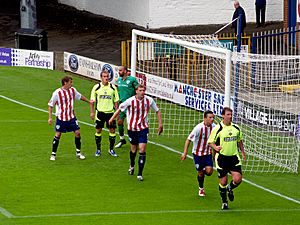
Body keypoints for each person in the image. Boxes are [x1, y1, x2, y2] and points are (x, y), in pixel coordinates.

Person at [109, 84, 163, 181]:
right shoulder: (130, 101)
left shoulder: (149, 100)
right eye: (141, 90)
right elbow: (120, 108)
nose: (143, 92)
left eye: (144, 90)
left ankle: (140, 174)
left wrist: (160, 124)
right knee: (133, 149)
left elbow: (158, 111)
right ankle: (132, 165)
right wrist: (111, 119)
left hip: (143, 128)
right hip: (132, 129)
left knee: (142, 149)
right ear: (136, 91)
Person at [208, 107, 246, 210]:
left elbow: (240, 140)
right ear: (223, 116)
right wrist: (215, 147)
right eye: (228, 115)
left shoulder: (236, 128)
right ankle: (224, 202)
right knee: (223, 182)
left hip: (234, 157)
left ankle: (230, 187)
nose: (230, 117)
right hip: (222, 158)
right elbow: (210, 142)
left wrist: (242, 152)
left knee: (238, 179)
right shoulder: (218, 128)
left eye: (231, 115)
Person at [48, 76, 91, 161]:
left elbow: (79, 96)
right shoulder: (57, 93)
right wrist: (50, 118)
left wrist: (89, 101)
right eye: (70, 82)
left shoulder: (72, 90)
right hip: (61, 118)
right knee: (58, 135)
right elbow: (50, 105)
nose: (72, 84)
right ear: (65, 83)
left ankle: (78, 152)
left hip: (71, 117)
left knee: (77, 133)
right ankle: (53, 154)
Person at [181, 110, 215, 197]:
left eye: (213, 117)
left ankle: (203, 170)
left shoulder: (214, 127)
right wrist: (184, 153)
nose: (212, 119)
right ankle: (201, 189)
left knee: (209, 172)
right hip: (197, 154)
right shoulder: (198, 128)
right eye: (210, 117)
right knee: (200, 173)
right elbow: (188, 139)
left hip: (208, 153)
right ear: (205, 118)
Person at [90, 70, 119, 157]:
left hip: (111, 113)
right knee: (98, 130)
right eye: (104, 76)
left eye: (107, 76)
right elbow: (92, 101)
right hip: (100, 113)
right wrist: (92, 112)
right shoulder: (96, 87)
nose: (106, 78)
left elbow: (116, 101)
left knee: (112, 130)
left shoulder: (113, 88)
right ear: (101, 77)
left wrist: (117, 113)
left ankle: (111, 149)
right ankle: (98, 149)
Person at [115, 65, 139, 148]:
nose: (119, 72)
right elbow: (119, 92)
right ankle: (122, 139)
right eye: (119, 70)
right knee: (119, 122)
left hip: (131, 105)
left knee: (132, 124)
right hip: (122, 105)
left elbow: (138, 90)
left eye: (120, 70)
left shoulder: (132, 80)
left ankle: (136, 138)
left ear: (125, 71)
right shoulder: (118, 80)